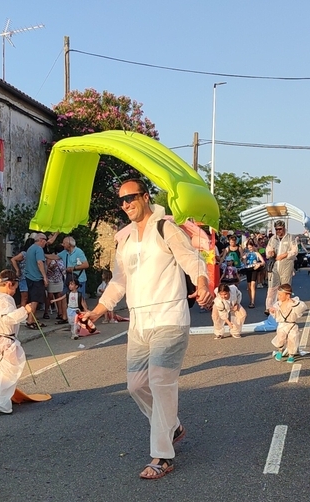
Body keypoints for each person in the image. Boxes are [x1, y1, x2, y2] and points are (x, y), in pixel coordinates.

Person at [81, 178, 212, 479]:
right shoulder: (125, 239)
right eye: (122, 200)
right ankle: (172, 426)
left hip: (169, 318)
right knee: (136, 385)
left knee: (160, 381)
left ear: (145, 197)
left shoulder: (165, 228)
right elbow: (118, 282)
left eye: (131, 198)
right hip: (140, 324)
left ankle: (162, 456)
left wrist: (202, 282)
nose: (126, 204)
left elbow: (192, 261)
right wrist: (98, 311)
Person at [0, 270, 38, 413]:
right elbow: (7, 318)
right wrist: (25, 310)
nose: (15, 291)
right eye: (15, 288)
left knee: (6, 372)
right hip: (5, 341)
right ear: (10, 284)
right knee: (10, 373)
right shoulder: (6, 300)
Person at [265, 219, 298, 313]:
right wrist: (270, 252)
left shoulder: (291, 238)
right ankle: (269, 308)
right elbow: (268, 249)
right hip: (275, 266)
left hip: (286, 265)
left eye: (280, 229)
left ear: (284, 228)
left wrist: (285, 255)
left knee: (285, 288)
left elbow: (294, 251)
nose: (278, 231)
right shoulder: (273, 239)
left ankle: (284, 307)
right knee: (272, 288)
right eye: (276, 229)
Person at [269, 282, 306, 363]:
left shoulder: (294, 303)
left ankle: (291, 355)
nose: (278, 297)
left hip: (292, 324)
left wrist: (294, 303)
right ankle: (280, 351)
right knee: (280, 338)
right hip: (282, 324)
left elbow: (302, 308)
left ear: (287, 295)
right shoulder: (278, 304)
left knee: (292, 339)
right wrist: (272, 311)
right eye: (278, 295)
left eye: (280, 295)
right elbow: (275, 313)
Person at [18, 232, 48, 330]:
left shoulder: (30, 248)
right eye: (45, 241)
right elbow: (40, 263)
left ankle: (33, 319)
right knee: (36, 300)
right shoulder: (39, 249)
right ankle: (30, 320)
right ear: (41, 240)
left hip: (29, 277)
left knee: (32, 298)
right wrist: (44, 277)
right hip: (36, 277)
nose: (45, 243)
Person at [44, 243, 66, 323]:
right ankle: (46, 312)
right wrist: (51, 267)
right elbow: (47, 267)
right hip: (51, 279)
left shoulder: (62, 258)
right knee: (50, 296)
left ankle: (60, 313)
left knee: (59, 295)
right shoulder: (51, 257)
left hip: (59, 279)